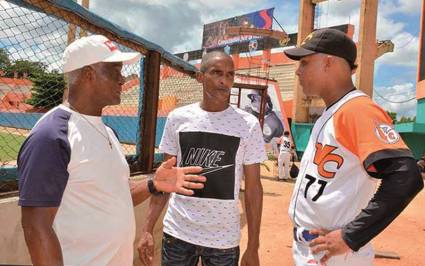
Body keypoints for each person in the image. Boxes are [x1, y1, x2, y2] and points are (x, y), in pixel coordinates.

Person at [17, 35, 206, 266]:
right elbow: (36, 228)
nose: (123, 78)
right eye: (115, 70)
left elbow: (117, 195)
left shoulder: (108, 132)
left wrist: (152, 184)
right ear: (88, 74)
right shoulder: (52, 135)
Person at [283, 28, 424, 266]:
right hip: (317, 249)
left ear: (328, 63)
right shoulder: (333, 111)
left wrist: (352, 235)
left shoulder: (356, 109)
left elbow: (406, 176)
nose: (298, 70)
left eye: (305, 62)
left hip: (336, 255)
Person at [137, 51, 267, 266]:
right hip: (178, 232)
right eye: (217, 73)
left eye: (230, 75)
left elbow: (253, 188)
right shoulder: (178, 119)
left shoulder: (248, 124)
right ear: (200, 76)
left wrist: (253, 246)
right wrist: (147, 228)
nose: (224, 81)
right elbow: (166, 179)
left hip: (223, 240)